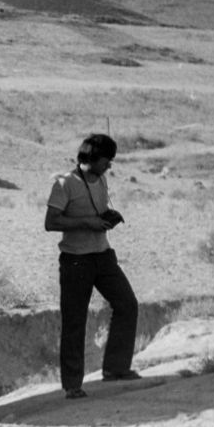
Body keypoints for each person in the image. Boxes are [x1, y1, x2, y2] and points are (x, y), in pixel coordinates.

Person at [45, 134, 140, 399]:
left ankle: (116, 369)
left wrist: (108, 218)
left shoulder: (102, 180)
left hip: (103, 256)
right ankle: (72, 385)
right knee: (75, 321)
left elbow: (95, 215)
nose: (109, 165)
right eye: (106, 160)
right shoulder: (64, 184)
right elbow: (51, 222)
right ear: (92, 158)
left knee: (127, 305)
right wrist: (88, 222)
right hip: (76, 261)